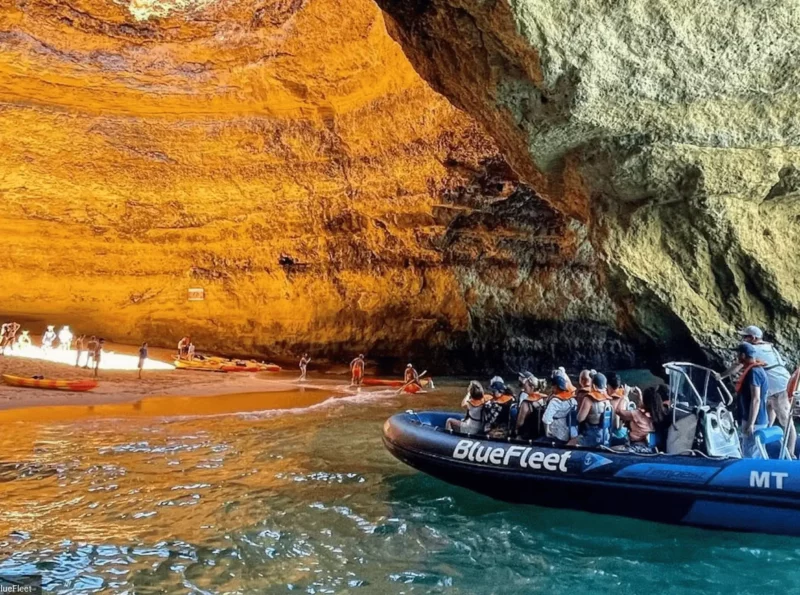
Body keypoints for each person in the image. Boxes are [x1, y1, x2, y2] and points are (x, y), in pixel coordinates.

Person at [723, 325, 795, 457]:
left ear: (753, 338)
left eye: (745, 337)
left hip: (779, 387)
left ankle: (791, 453)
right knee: (765, 421)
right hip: (771, 388)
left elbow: (737, 366)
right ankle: (763, 450)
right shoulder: (768, 347)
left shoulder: (752, 350)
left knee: (785, 420)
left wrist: (721, 376)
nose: (742, 339)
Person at [733, 342, 770, 458]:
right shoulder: (755, 369)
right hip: (754, 418)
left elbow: (756, 399)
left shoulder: (754, 372)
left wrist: (751, 423)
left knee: (751, 453)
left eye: (738, 354)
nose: (737, 356)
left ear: (743, 355)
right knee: (751, 450)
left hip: (756, 420)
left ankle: (749, 475)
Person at [572, 373, 612, 447]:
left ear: (593, 385)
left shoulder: (589, 399)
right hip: (605, 434)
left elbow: (580, 419)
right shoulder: (607, 399)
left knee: (570, 444)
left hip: (592, 435)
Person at [616, 387, 656, 451]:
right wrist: (640, 396)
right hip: (647, 448)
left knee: (606, 451)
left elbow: (618, 411)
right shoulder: (655, 414)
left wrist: (624, 395)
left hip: (634, 448)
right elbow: (644, 408)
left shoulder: (637, 414)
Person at [542, 374, 578, 443]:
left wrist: (547, 432)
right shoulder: (572, 399)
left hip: (558, 434)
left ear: (555, 387)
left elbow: (546, 419)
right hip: (572, 433)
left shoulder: (555, 401)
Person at [516, 372, 547, 439]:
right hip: (541, 434)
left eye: (526, 385)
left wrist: (515, 430)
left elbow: (520, 423)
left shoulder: (526, 403)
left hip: (527, 435)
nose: (524, 386)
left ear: (532, 387)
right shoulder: (544, 399)